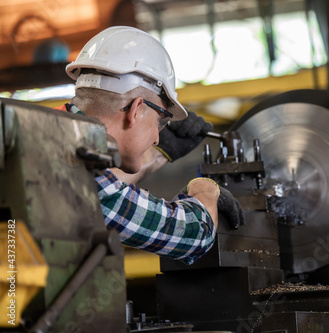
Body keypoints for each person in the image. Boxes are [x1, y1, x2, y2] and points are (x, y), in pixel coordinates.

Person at [60, 26, 244, 265]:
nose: (157, 138)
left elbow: (105, 192)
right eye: (160, 122)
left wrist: (156, 155)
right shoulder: (79, 175)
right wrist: (206, 189)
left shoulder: (55, 140)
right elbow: (192, 235)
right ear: (136, 109)